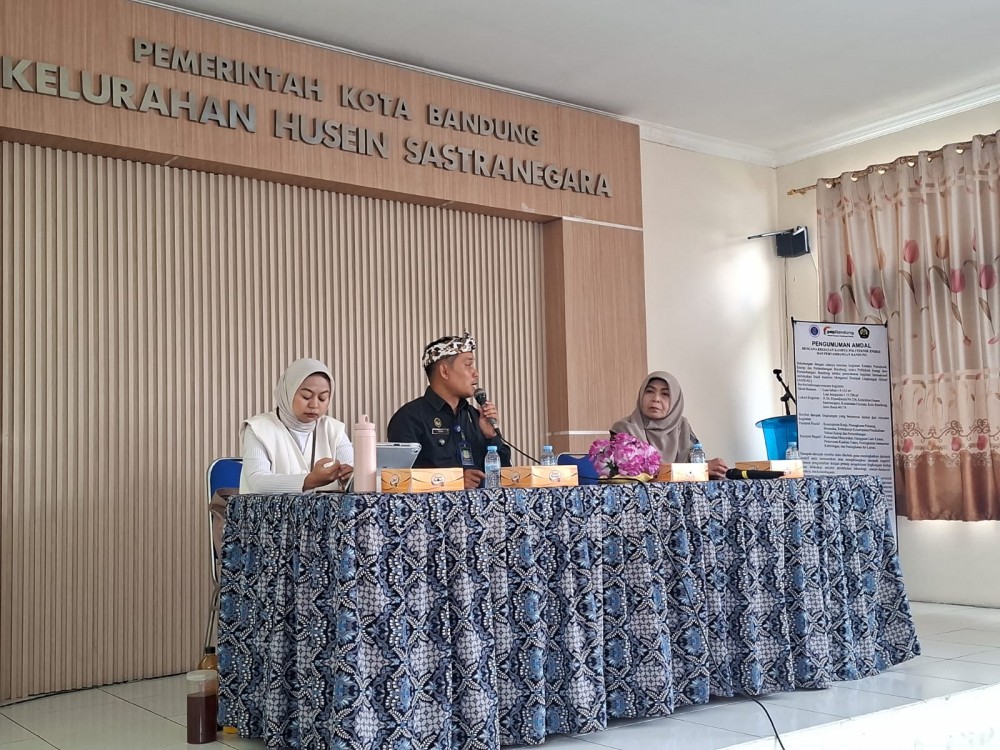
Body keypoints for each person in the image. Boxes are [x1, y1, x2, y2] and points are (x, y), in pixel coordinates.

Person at [387, 332, 511, 489]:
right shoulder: (409, 418)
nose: (476, 373)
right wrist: (453, 481)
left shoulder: (475, 416)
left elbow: (505, 473)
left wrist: (490, 437)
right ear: (444, 371)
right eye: (468, 365)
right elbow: (399, 479)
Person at [240, 358, 354, 493]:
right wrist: (309, 480)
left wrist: (349, 478)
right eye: (306, 396)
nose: (314, 405)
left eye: (322, 398)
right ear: (288, 392)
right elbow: (257, 482)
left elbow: (354, 473)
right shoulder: (258, 428)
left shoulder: (334, 430)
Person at [611, 371, 729, 480]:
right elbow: (638, 473)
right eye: (650, 391)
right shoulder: (624, 429)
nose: (656, 399)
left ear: (675, 401)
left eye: (665, 394)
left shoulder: (682, 427)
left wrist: (709, 468)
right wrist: (699, 471)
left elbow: (694, 462)